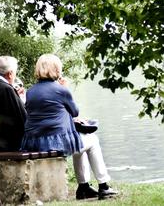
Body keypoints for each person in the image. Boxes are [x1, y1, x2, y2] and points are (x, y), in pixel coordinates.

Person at [20, 54, 117, 200]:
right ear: (56, 69)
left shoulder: (31, 91)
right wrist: (65, 88)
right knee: (92, 140)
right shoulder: (60, 90)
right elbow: (75, 111)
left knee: (81, 143)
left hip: (35, 142)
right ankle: (103, 185)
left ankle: (83, 187)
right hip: (55, 143)